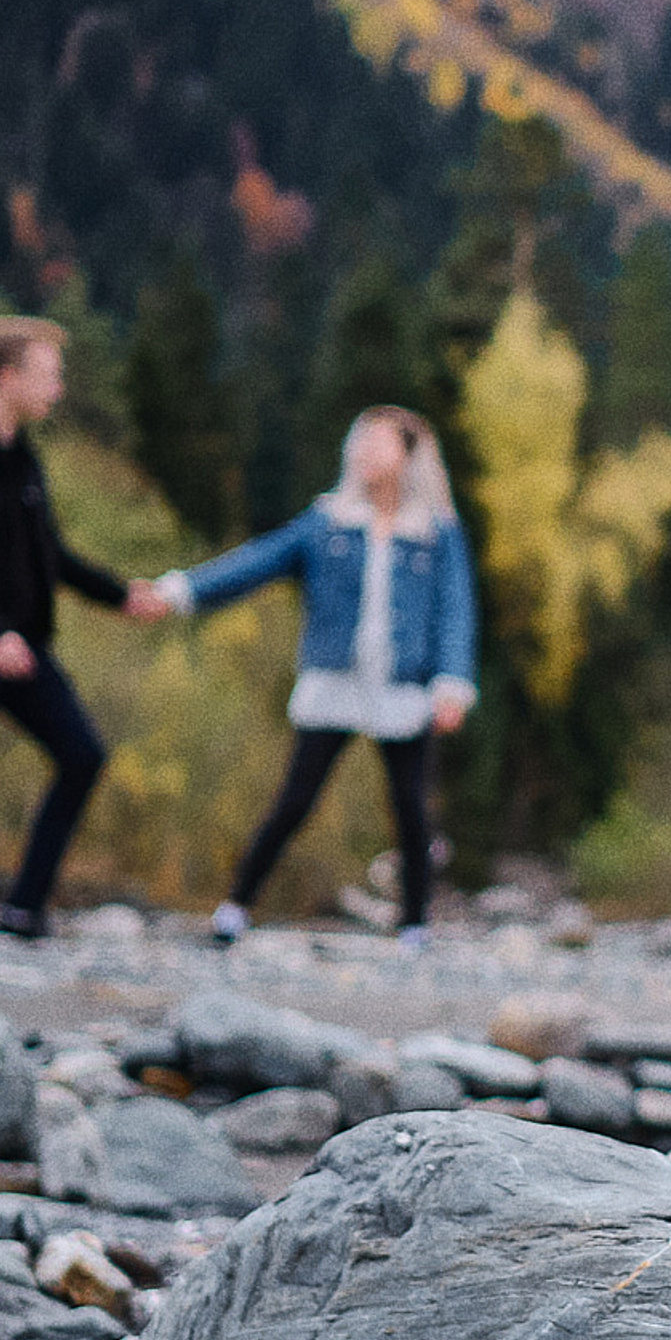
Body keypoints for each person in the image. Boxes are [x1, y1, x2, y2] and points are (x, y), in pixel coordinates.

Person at [145, 406, 476, 949]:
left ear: (409, 455)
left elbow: (456, 609)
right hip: (335, 682)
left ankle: (415, 923)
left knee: (411, 808)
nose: (363, 453)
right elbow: (258, 561)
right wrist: (179, 592)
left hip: (404, 687)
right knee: (295, 800)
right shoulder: (328, 522)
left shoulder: (436, 533)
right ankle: (235, 907)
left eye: (378, 443)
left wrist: (452, 683)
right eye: (359, 443)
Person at [0, 316, 164, 979]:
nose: (60, 386)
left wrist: (118, 595)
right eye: (50, 374)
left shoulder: (24, 460)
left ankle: (23, 907)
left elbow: (51, 554)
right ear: (7, 376)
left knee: (82, 754)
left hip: (25, 650)